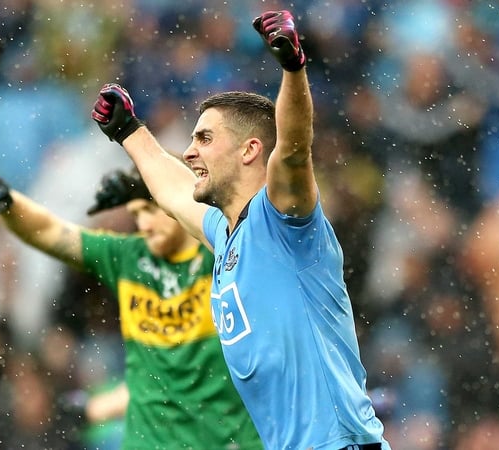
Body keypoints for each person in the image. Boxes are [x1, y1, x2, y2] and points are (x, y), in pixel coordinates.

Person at [91, 9, 390, 450]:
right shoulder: (225, 233)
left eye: (205, 139)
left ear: (251, 150)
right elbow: (173, 194)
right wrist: (127, 131)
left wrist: (292, 68)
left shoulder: (284, 219)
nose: (190, 153)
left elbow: (291, 149)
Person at [0, 168, 262, 449]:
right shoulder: (128, 257)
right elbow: (49, 232)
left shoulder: (225, 255)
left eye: (151, 209)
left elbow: (253, 212)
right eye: (136, 214)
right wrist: (9, 204)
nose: (143, 225)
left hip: (227, 442)